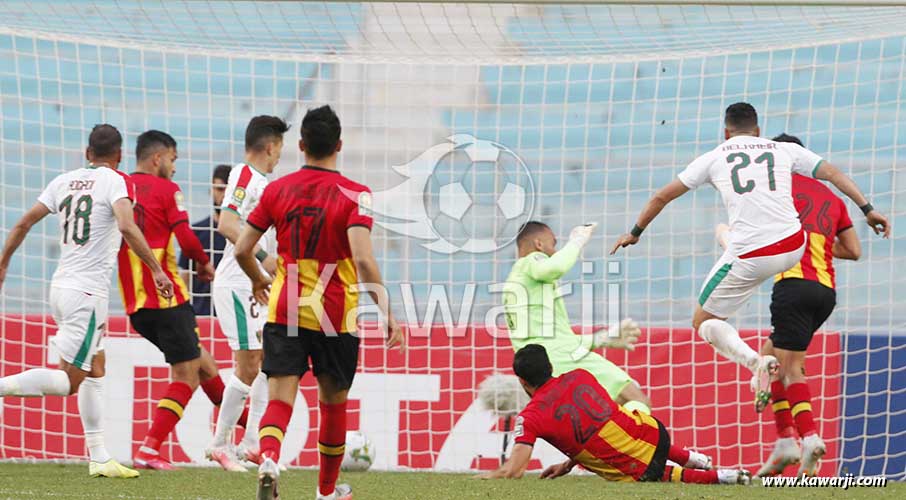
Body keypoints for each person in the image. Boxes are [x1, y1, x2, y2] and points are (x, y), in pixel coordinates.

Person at [611, 103, 890, 411]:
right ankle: (728, 242)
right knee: (726, 233)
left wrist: (635, 231)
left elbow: (661, 196)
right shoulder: (783, 150)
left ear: (726, 132)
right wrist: (868, 209)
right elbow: (834, 173)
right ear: (758, 130)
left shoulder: (715, 156)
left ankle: (756, 362)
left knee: (702, 320)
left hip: (753, 255)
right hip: (794, 245)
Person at [233, 105, 404, 500]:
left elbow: (244, 247)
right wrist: (388, 313)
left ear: (301, 144)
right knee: (333, 404)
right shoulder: (356, 195)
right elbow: (362, 259)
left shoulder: (277, 190)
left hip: (286, 308)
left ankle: (270, 459)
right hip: (334, 315)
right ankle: (326, 492)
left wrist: (259, 279)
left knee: (279, 399)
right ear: (339, 145)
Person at [0, 124, 173, 478]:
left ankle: (99, 457)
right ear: (120, 156)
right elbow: (126, 225)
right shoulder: (116, 181)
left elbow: (22, 223)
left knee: (96, 368)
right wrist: (156, 269)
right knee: (70, 381)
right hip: (87, 294)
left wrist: (2, 264)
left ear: (87, 153)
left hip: (61, 287)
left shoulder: (62, 181)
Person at [717, 133, 860, 477]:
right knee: (769, 357)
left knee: (791, 367)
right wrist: (820, 245)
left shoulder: (778, 193)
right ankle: (784, 442)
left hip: (794, 286)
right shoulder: (832, 198)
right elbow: (854, 250)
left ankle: (809, 439)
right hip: (825, 293)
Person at [117, 130, 236, 470]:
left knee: (204, 365)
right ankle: (150, 448)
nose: (174, 167)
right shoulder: (167, 190)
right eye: (172, 159)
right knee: (187, 375)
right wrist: (204, 264)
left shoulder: (119, 187)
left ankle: (239, 440)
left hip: (136, 304)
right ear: (157, 158)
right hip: (166, 298)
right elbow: (185, 237)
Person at [478, 345, 749, 485]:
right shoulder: (580, 375)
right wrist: (567, 464)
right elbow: (596, 424)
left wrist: (487, 477)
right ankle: (694, 458)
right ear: (550, 366)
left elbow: (514, 470)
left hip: (635, 466)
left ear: (523, 382)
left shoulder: (531, 416)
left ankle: (724, 477)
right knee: (629, 425)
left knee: (665, 477)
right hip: (655, 431)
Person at [503, 221, 659, 419]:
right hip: (564, 361)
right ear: (539, 245)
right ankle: (642, 446)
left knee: (596, 425)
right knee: (636, 400)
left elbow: (554, 341)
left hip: (542, 370)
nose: (555, 250)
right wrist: (576, 242)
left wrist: (601, 339)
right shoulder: (531, 261)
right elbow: (553, 268)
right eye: (553, 244)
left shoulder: (513, 284)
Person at [206, 116, 286, 472]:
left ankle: (251, 442)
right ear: (270, 146)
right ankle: (220, 444)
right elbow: (226, 224)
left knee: (267, 363)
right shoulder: (243, 175)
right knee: (249, 365)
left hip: (253, 282)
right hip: (238, 283)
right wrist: (264, 258)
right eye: (280, 148)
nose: (280, 155)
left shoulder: (263, 183)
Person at [179, 164, 230, 316]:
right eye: (220, 189)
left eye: (228, 190)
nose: (224, 195)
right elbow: (186, 275)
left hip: (233, 312)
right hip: (202, 314)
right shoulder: (197, 231)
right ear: (211, 190)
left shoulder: (244, 233)